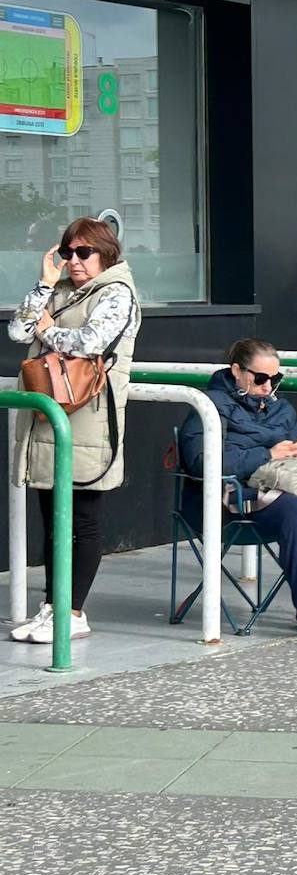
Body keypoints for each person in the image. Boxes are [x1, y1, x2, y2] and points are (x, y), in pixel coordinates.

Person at [177, 340, 297, 641]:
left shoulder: (281, 409)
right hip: (225, 502)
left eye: (275, 378)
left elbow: (288, 455)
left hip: (275, 491)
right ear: (237, 371)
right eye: (260, 378)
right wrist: (269, 454)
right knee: (294, 509)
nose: (268, 386)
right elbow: (200, 461)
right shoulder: (209, 405)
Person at [8, 217, 141, 645]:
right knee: (51, 519)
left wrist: (47, 330)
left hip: (90, 418)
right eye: (69, 253)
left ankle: (73, 611)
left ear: (107, 254)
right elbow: (17, 330)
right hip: (50, 415)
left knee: (83, 517)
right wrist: (45, 284)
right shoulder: (61, 291)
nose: (75, 261)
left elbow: (91, 342)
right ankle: (53, 607)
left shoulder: (118, 294)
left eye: (85, 253)